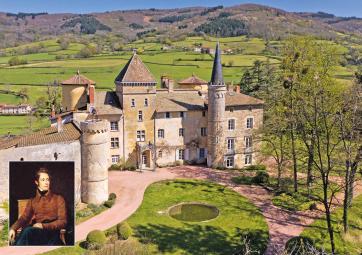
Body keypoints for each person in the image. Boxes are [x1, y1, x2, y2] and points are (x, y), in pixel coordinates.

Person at [8, 167, 67, 245]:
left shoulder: (59, 199)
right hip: (37, 233)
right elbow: (24, 218)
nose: (46, 182)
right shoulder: (32, 201)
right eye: (43, 180)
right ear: (36, 182)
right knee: (26, 231)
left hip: (52, 233)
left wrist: (43, 225)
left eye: (47, 179)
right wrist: (13, 228)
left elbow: (63, 222)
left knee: (27, 231)